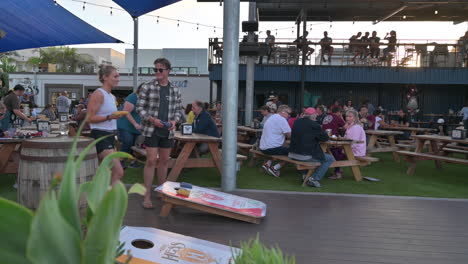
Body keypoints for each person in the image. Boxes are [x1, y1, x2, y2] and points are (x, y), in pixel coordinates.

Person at [136, 58, 182, 209]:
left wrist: (175, 122)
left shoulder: (175, 89)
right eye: (155, 69)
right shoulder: (147, 87)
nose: (157, 72)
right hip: (151, 130)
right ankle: (146, 195)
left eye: (160, 70)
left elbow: (178, 111)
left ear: (168, 70)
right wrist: (151, 119)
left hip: (167, 132)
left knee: (164, 162)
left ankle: (161, 192)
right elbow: (139, 109)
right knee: (150, 161)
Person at [87, 65, 125, 186]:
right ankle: (110, 202)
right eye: (115, 76)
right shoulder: (99, 94)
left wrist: (115, 116)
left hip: (111, 135)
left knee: (101, 172)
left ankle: (98, 199)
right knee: (118, 172)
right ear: (105, 77)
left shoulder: (112, 96)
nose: (118, 78)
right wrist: (110, 117)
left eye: (118, 76)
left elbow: (110, 116)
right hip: (100, 135)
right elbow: (89, 119)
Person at [288, 107, 334, 187]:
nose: (316, 116)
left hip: (292, 154)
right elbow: (325, 138)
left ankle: (305, 175)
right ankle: (314, 179)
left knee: (313, 154)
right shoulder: (314, 125)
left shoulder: (297, 122)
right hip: (304, 155)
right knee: (330, 159)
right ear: (312, 116)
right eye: (315, 114)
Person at [259, 105, 292, 177]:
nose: (289, 115)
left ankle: (268, 163)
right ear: (283, 112)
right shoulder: (282, 119)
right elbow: (289, 136)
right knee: (294, 153)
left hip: (263, 147)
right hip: (271, 148)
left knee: (284, 145)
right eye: (288, 113)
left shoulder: (273, 117)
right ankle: (275, 168)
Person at [117, 84, 143, 169]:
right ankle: (120, 161)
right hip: (125, 125)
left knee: (134, 145)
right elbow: (126, 112)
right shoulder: (133, 97)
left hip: (137, 127)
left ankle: (132, 161)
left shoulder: (146, 99)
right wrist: (135, 123)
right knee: (128, 141)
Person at [322, 106, 346, 178]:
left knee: (337, 151)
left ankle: (338, 169)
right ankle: (338, 172)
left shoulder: (326, 116)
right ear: (338, 112)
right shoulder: (337, 117)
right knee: (336, 153)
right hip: (332, 139)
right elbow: (345, 127)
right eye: (340, 112)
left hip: (324, 138)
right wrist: (341, 118)